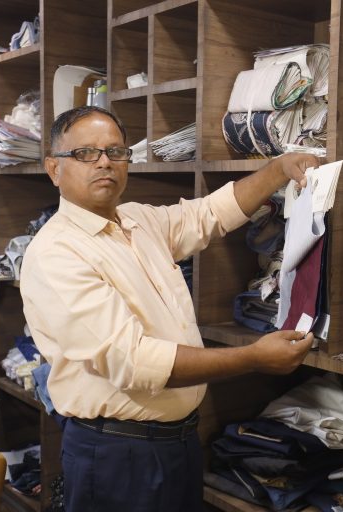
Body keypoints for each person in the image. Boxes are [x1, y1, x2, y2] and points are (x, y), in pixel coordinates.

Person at [20, 106, 319, 511]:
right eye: (86, 153)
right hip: (116, 454)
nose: (105, 161)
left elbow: (210, 214)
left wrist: (279, 169)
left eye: (115, 151)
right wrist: (252, 357)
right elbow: (134, 362)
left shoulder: (137, 221)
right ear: (54, 169)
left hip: (177, 444)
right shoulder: (57, 254)